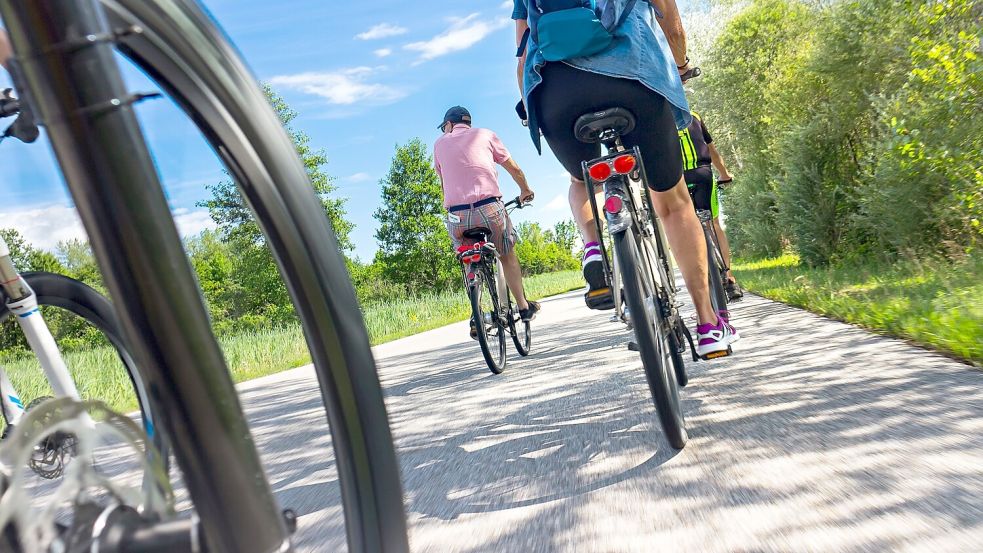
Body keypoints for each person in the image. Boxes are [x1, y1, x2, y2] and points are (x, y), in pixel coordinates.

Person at [512, 0, 738, 357]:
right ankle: (708, 323)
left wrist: (531, 106)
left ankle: (591, 246)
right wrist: (678, 67)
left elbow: (523, 50)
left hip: (557, 92)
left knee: (581, 181)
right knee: (673, 202)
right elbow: (673, 26)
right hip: (635, 77)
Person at [433, 106, 541, 337]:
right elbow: (514, 168)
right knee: (507, 254)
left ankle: (476, 312)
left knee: (466, 257)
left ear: (450, 124)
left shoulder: (439, 144)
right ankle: (523, 307)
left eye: (445, 127)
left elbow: (444, 183)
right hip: (489, 208)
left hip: (457, 215)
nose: (445, 131)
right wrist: (525, 190)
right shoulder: (486, 135)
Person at [679, 110, 743, 301]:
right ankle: (729, 278)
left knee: (683, 228)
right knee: (713, 224)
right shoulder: (694, 116)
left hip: (677, 179)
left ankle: (699, 283)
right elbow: (712, 151)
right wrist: (724, 174)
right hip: (702, 173)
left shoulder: (659, 118)